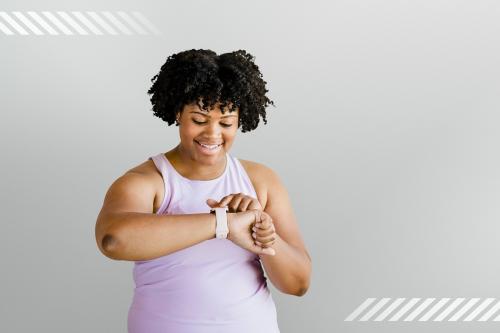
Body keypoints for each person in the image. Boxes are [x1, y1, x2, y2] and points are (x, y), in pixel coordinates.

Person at [94, 49, 312, 333]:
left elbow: (298, 284)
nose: (212, 134)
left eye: (226, 123)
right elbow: (113, 241)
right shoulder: (146, 182)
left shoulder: (261, 181)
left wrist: (263, 234)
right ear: (178, 113)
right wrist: (224, 225)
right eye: (199, 120)